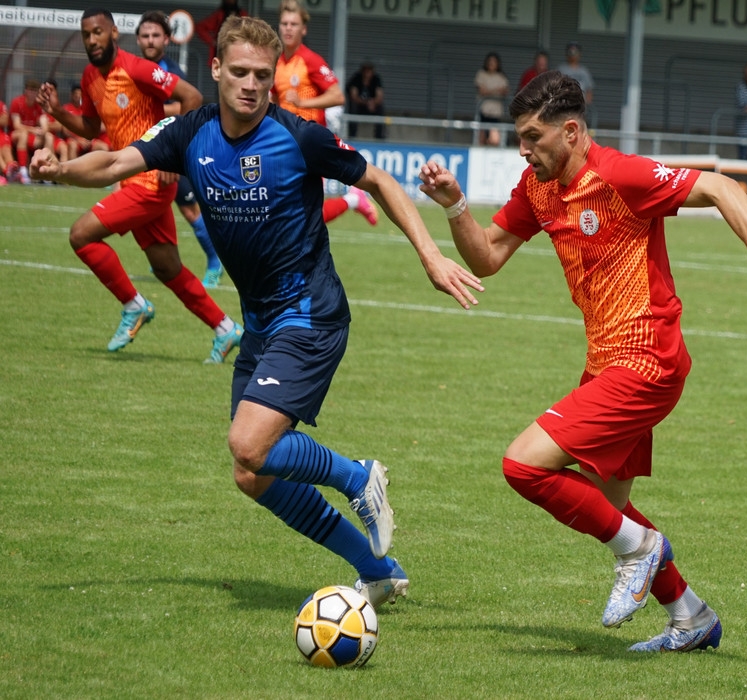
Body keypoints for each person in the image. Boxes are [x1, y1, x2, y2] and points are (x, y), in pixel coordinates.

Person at [31, 15, 484, 608]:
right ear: (217, 68)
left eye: (262, 76)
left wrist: (431, 256)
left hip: (310, 314)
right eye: (240, 72)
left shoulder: (297, 136)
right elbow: (116, 164)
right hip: (262, 324)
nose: (251, 85)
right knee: (253, 473)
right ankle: (377, 570)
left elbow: (378, 180)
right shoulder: (189, 132)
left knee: (249, 445)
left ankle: (359, 476)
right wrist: (61, 170)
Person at [418, 71, 747, 652]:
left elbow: (723, 187)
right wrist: (455, 206)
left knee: (523, 466)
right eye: (520, 138)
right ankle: (691, 618)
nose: (523, 150)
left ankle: (641, 552)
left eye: (532, 137)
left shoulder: (620, 175)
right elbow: (488, 256)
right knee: (607, 508)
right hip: (606, 362)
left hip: (647, 360)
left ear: (571, 132)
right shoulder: (538, 188)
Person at [35, 8, 243, 361]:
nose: (92, 40)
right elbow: (91, 128)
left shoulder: (137, 69)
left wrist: (176, 155)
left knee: (81, 235)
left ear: (114, 33)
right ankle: (226, 329)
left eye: (98, 32)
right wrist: (57, 112)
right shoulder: (90, 76)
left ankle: (133, 304)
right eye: (86, 35)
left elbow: (192, 97)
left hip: (151, 181)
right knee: (167, 267)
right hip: (130, 178)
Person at [136, 10, 225, 288]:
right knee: (149, 206)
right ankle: (163, 260)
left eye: (156, 35)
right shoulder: (134, 68)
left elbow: (187, 105)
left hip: (172, 151)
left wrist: (172, 154)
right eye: (145, 36)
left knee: (189, 210)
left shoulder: (171, 72)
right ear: (138, 40)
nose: (150, 40)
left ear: (166, 39)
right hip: (146, 149)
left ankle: (215, 262)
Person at [272, 0, 378, 227]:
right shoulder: (276, 62)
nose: (288, 28)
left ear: (303, 29)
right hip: (283, 144)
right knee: (281, 210)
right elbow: (273, 99)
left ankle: (352, 200)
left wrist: (303, 101)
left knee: (310, 216)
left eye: (293, 24)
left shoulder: (310, 60)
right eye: (284, 23)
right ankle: (353, 200)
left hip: (310, 144)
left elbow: (338, 96)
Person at [8, 79, 53, 183]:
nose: (32, 93)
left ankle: (47, 170)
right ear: (26, 90)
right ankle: (23, 170)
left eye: (35, 90)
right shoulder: (17, 102)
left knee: (49, 137)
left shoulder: (39, 105)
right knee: (23, 134)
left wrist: (42, 132)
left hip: (32, 136)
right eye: (30, 90)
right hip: (15, 134)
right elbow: (16, 125)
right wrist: (33, 130)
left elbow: (44, 124)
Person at [195, 0, 247, 66]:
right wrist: (212, 42)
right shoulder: (219, 15)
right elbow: (200, 27)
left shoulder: (242, 15)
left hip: (238, 51)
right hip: (221, 52)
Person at [474, 52, 509, 146]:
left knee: (494, 140)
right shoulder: (481, 74)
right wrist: (496, 90)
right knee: (481, 139)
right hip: (483, 111)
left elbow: (505, 91)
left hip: (495, 113)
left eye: (494, 62)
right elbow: (482, 91)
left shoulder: (501, 77)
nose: (491, 64)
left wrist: (489, 91)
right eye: (490, 61)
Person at [557, 43, 595, 126]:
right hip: (565, 107)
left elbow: (589, 90)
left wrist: (587, 104)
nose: (573, 55)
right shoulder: (561, 69)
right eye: (570, 52)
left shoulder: (584, 71)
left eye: (575, 52)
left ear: (579, 55)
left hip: (580, 107)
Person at [346, 61, 385, 140]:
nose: (367, 73)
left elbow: (380, 96)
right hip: (360, 106)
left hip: (372, 107)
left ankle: (379, 137)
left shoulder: (376, 79)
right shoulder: (356, 78)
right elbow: (353, 96)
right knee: (353, 107)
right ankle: (352, 135)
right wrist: (366, 103)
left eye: (369, 70)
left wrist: (373, 102)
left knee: (380, 108)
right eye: (365, 70)